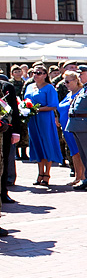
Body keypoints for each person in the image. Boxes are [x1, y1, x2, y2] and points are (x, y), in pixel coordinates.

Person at [24, 65, 61, 186]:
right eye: (34, 73)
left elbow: (53, 105)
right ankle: (39, 172)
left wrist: (37, 109)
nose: (36, 75)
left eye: (39, 73)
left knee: (47, 143)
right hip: (32, 119)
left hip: (45, 118)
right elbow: (25, 101)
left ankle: (47, 173)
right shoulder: (29, 86)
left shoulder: (49, 88)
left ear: (45, 75)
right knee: (36, 144)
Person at [57, 71, 85, 187]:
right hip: (66, 128)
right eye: (65, 82)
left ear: (76, 81)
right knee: (74, 152)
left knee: (79, 152)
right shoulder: (69, 94)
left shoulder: (81, 93)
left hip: (76, 127)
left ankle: (83, 177)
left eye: (68, 81)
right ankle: (77, 177)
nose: (66, 84)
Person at [0, 72, 23, 203]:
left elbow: (12, 110)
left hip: (4, 131)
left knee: (3, 163)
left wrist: (16, 131)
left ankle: (3, 192)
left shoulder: (6, 87)